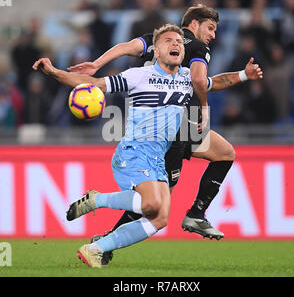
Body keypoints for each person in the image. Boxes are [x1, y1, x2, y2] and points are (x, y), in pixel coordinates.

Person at [68, 4, 263, 266]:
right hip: (176, 130)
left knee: (224, 153)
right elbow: (198, 79)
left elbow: (126, 46)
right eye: (210, 28)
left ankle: (195, 213)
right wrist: (205, 107)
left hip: (178, 126)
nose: (213, 35)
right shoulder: (194, 46)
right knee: (155, 206)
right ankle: (106, 241)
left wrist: (97, 63)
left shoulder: (158, 40)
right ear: (194, 24)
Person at [33, 24, 194, 268]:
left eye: (179, 42)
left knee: (160, 219)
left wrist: (243, 75)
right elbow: (94, 83)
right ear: (156, 52)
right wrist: (55, 72)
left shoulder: (187, 78)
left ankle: (95, 249)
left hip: (158, 157)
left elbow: (216, 82)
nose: (175, 44)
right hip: (134, 151)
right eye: (168, 40)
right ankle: (97, 200)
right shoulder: (139, 75)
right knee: (151, 204)